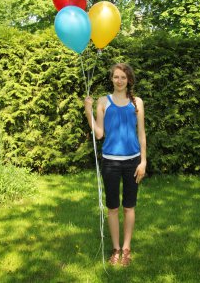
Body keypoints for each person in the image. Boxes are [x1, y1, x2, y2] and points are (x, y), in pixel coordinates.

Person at [84, 63, 146, 266]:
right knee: (112, 208)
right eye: (116, 77)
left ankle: (126, 250)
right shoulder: (103, 101)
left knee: (129, 207)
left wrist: (143, 161)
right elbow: (100, 133)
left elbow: (142, 134)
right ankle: (116, 249)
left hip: (132, 162)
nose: (119, 81)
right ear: (111, 79)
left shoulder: (137, 102)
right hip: (110, 161)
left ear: (129, 80)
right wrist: (88, 112)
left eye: (123, 78)